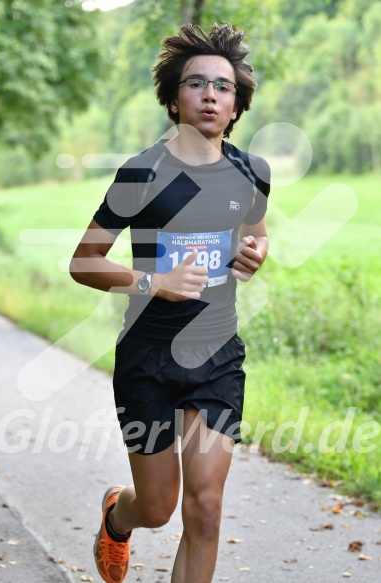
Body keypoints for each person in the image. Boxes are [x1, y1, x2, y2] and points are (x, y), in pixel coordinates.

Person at [70, 22, 270, 583]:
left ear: (236, 104)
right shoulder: (141, 173)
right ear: (174, 98)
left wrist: (258, 253)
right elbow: (83, 261)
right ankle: (119, 514)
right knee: (158, 509)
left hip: (217, 354)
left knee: (204, 507)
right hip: (148, 357)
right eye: (197, 83)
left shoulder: (252, 172)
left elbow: (254, 232)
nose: (210, 94)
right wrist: (149, 283)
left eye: (223, 87)